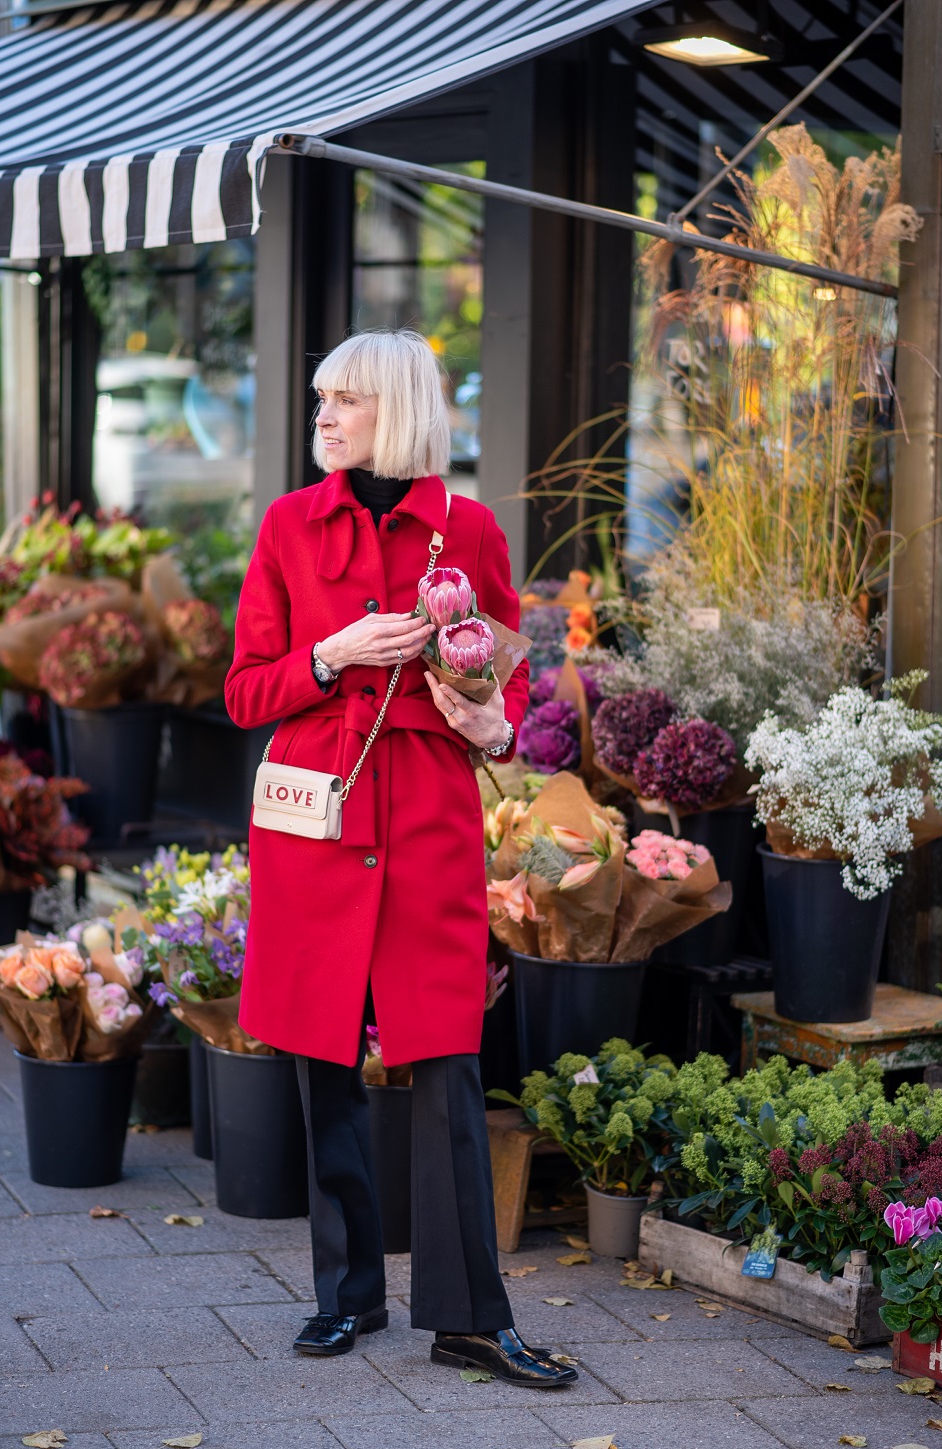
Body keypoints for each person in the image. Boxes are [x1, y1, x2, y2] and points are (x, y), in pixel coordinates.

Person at [224, 329, 576, 1389]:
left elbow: (510, 696)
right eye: (321, 398)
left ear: (401, 407)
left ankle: (470, 1317)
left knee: (448, 1066)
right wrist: (333, 654)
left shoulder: (467, 531)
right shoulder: (288, 524)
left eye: (346, 400)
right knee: (319, 1058)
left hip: (424, 816)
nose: (323, 415)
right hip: (317, 814)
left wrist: (485, 723)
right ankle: (346, 1296)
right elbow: (243, 691)